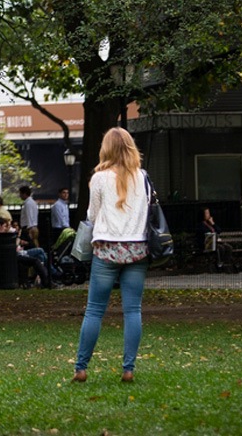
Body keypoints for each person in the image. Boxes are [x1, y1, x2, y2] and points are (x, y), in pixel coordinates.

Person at [72, 127, 150, 384]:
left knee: (94, 310)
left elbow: (92, 216)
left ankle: (81, 368)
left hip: (106, 249)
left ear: (106, 148)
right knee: (133, 310)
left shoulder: (99, 178)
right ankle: (128, 369)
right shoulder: (143, 177)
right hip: (137, 249)